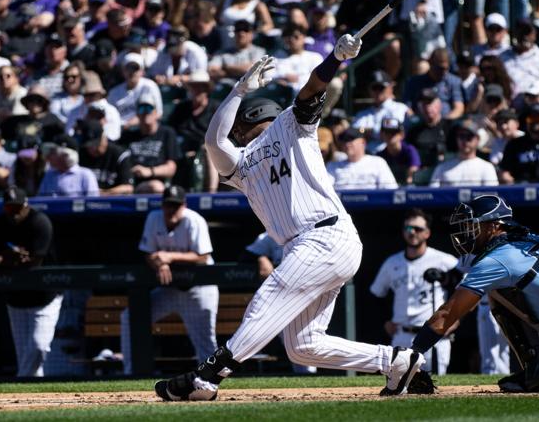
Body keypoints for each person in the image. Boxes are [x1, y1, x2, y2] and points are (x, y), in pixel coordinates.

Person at [155, 34, 424, 402]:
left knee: (270, 296)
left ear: (248, 120)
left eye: (238, 127)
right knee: (303, 346)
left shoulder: (291, 125)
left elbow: (314, 86)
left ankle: (209, 375)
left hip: (325, 236)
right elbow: (214, 143)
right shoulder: (242, 164)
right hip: (312, 246)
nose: (233, 133)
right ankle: (394, 360)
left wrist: (334, 57)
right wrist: (237, 91)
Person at [408, 195, 539, 392]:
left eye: (473, 226)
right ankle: (536, 367)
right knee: (498, 292)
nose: (467, 233)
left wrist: (411, 356)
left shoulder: (497, 259)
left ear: (494, 226)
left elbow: (447, 314)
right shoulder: (536, 239)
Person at [121, 185, 218, 375]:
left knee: (205, 342)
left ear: (184, 205)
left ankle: (210, 379)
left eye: (176, 205)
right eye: (168, 205)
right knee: (128, 317)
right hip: (169, 289)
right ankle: (131, 372)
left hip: (198, 290)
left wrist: (170, 257)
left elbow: (203, 256)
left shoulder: (194, 220)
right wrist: (160, 264)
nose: (171, 210)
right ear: (162, 205)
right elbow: (148, 254)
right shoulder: (154, 218)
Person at [0, 187, 62, 377]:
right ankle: (32, 398)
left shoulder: (39, 222)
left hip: (45, 295)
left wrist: (4, 260)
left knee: (38, 346)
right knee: (26, 356)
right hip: (16, 299)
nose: (14, 214)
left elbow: (33, 262)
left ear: (26, 206)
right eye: (9, 209)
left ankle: (19, 384)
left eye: (17, 208)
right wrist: (9, 258)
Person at [370, 209, 457, 374]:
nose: (412, 233)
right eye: (408, 228)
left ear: (427, 233)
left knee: (436, 387)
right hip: (402, 334)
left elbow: (466, 290)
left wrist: (456, 319)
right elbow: (376, 294)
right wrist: (385, 321)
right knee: (396, 382)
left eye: (418, 229)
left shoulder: (444, 260)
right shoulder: (392, 262)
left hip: (434, 334)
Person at [243, 231, 317, 374]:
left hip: (305, 286)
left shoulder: (312, 231)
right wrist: (261, 257)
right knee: (294, 341)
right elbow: (246, 256)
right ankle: (306, 375)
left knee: (305, 338)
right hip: (282, 291)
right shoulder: (270, 234)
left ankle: (308, 375)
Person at [121, 93, 179, 193]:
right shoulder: (128, 136)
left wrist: (149, 171)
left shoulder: (167, 133)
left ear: (156, 112)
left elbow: (171, 168)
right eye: (141, 109)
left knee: (155, 186)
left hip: (156, 182)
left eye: (148, 108)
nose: (145, 112)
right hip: (130, 182)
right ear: (137, 114)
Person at [499, 103, 539, 184]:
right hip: (521, 190)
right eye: (530, 118)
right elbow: (504, 172)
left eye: (538, 118)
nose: (534, 121)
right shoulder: (514, 144)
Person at [352, 70, 409, 154]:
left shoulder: (400, 108)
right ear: (369, 90)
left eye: (381, 87)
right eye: (375, 88)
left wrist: (368, 131)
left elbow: (394, 132)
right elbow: (354, 133)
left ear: (390, 87)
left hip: (393, 154)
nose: (378, 92)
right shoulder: (362, 114)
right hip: (367, 156)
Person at [428, 120, 498, 187]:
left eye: (469, 137)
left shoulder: (486, 167)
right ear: (457, 138)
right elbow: (432, 195)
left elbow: (492, 196)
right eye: (462, 136)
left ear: (477, 139)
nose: (465, 141)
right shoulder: (442, 168)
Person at [326, 127, 397, 190]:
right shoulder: (333, 166)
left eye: (351, 139)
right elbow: (325, 191)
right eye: (344, 140)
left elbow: (390, 190)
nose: (347, 143)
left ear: (363, 142)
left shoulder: (378, 162)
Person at [75, 119, 133, 196]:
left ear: (103, 137)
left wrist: (104, 193)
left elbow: (128, 188)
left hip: (113, 201)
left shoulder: (118, 154)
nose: (93, 148)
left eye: (96, 144)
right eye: (89, 146)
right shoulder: (80, 153)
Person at [106, 53, 162, 128]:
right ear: (123, 71)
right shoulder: (114, 92)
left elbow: (158, 113)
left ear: (142, 71)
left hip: (143, 128)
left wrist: (135, 122)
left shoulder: (149, 86)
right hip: (120, 130)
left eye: (135, 68)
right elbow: (109, 117)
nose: (131, 72)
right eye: (128, 68)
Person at [378, 117, 420, 186]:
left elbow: (412, 174)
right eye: (387, 132)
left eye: (394, 132)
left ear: (402, 135)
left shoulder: (409, 150)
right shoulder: (380, 156)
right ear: (381, 135)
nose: (390, 135)